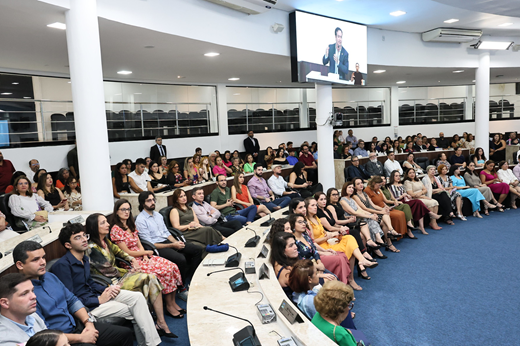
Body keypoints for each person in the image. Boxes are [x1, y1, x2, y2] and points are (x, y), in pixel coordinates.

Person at [51, 223, 165, 344]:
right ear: (68, 245)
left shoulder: (84, 258)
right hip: (88, 308)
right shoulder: (62, 266)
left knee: (138, 297)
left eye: (84, 235)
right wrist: (98, 300)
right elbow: (70, 300)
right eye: (78, 237)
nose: (84, 239)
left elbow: (90, 283)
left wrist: (108, 288)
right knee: (136, 310)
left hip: (95, 296)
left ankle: (150, 343)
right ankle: (152, 343)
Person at [13, 241, 134, 346]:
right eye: (35, 259)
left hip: (78, 326)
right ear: (20, 265)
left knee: (125, 334)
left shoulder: (50, 277)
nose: (43, 262)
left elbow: (72, 300)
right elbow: (43, 333)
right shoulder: (22, 294)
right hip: (60, 339)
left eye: (43, 257)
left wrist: (88, 323)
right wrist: (81, 338)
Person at [85, 213, 178, 329]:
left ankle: (160, 321)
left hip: (118, 277)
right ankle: (150, 321)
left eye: (106, 221)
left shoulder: (105, 241)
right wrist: (131, 272)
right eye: (103, 223)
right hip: (109, 283)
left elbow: (120, 252)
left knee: (151, 278)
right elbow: (110, 270)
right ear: (94, 227)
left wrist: (132, 259)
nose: (107, 224)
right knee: (148, 278)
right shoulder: (92, 248)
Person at [108, 200, 185, 320]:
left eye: (128, 209)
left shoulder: (130, 224)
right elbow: (127, 253)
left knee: (172, 266)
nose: (126, 212)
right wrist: (146, 253)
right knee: (163, 271)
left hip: (142, 256)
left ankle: (172, 302)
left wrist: (145, 255)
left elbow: (139, 243)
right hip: (131, 261)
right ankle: (169, 306)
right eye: (123, 209)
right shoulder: (115, 230)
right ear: (116, 212)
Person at [135, 192, 203, 285]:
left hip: (168, 241)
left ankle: (191, 278)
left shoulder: (158, 215)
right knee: (181, 259)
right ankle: (181, 287)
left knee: (197, 249)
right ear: (143, 203)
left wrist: (176, 242)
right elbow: (149, 243)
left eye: (153, 199)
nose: (152, 202)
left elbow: (167, 233)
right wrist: (172, 245)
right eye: (149, 201)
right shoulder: (140, 220)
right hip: (157, 247)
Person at [306, 197, 377, 283]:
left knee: (349, 237)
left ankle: (361, 260)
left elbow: (324, 231)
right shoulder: (307, 222)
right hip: (322, 246)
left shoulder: (316, 217)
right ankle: (351, 277)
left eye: (315, 205)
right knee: (351, 246)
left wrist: (333, 233)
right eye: (312, 205)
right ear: (306, 207)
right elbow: (313, 242)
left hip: (328, 241)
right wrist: (329, 236)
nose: (315, 207)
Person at [289, 213, 353, 288]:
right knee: (332, 278)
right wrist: (317, 267)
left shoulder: (305, 235)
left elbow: (314, 250)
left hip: (316, 262)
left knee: (334, 276)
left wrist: (319, 262)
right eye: (300, 222)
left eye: (304, 222)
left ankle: (346, 285)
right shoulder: (292, 241)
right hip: (307, 269)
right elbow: (300, 261)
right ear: (293, 224)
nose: (303, 224)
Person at [0, 273, 48, 346]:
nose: (34, 296)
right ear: (5, 303)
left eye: (32, 290)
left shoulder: (33, 316)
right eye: (24, 294)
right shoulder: (3, 338)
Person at [352, 178, 402, 248]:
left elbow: (373, 205)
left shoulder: (364, 193)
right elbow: (365, 208)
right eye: (358, 184)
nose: (361, 185)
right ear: (354, 187)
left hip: (373, 211)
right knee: (384, 221)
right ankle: (390, 241)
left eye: (361, 183)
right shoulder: (355, 196)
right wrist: (380, 211)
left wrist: (383, 209)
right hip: (367, 213)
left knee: (385, 214)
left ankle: (391, 231)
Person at [312, 280, 357, 346]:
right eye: (349, 305)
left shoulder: (317, 315)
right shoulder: (341, 334)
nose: (348, 309)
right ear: (340, 308)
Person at [388, 171, 433, 235]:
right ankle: (429, 213)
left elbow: (405, 193)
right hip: (400, 201)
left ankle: (422, 227)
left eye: (399, 176)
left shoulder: (401, 184)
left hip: (406, 200)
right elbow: (394, 198)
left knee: (419, 205)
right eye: (396, 176)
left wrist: (407, 195)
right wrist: (402, 196)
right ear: (393, 177)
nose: (398, 177)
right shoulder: (391, 186)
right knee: (418, 202)